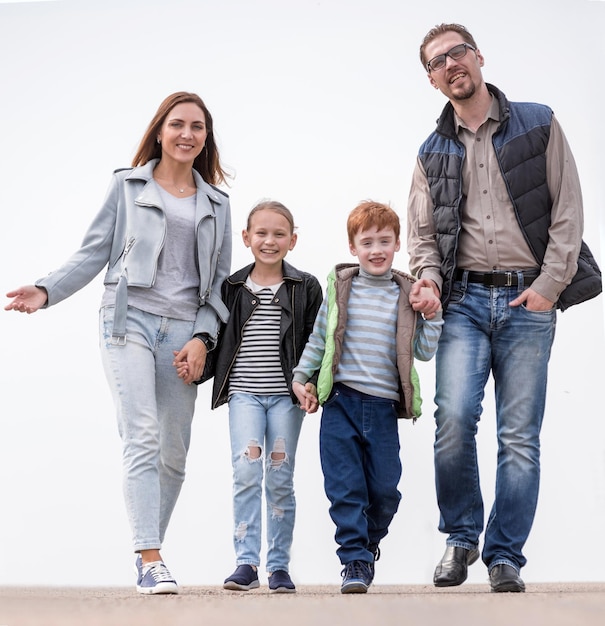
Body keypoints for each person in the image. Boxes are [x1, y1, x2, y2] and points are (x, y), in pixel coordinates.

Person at [5, 91, 232, 595]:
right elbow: (93, 252)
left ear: (206, 137)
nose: (187, 134)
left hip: (183, 334)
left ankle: (152, 549)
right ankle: (150, 558)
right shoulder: (127, 186)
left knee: (173, 452)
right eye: (177, 124)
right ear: (159, 131)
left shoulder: (217, 203)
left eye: (197, 127)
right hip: (126, 320)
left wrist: (202, 338)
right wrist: (46, 290)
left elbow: (219, 285)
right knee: (142, 433)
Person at [407, 23, 600, 592]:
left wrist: (549, 285)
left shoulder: (538, 122)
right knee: (453, 420)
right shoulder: (430, 151)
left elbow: (568, 210)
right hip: (463, 300)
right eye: (437, 61)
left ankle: (505, 555)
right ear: (432, 79)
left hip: (528, 298)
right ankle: (462, 536)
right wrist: (428, 280)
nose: (450, 65)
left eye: (457, 52)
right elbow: (421, 234)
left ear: (478, 56)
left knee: (519, 435)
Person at [292, 201, 443, 594]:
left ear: (397, 246)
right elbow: (320, 339)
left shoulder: (407, 292)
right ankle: (354, 560)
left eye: (385, 241)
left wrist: (433, 316)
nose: (376, 249)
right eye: (367, 242)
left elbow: (424, 351)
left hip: (383, 408)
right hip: (340, 402)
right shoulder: (341, 288)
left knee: (385, 490)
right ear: (352, 247)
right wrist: (301, 376)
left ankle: (369, 542)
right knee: (344, 488)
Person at [205, 200, 323, 594]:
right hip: (244, 395)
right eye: (261, 233)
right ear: (246, 237)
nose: (269, 241)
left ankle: (278, 567)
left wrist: (311, 384)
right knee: (245, 471)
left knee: (280, 477)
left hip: (287, 398)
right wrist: (197, 368)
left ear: (292, 240)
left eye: (278, 234)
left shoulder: (305, 287)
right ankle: (246, 563)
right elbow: (217, 339)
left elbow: (316, 340)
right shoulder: (233, 287)